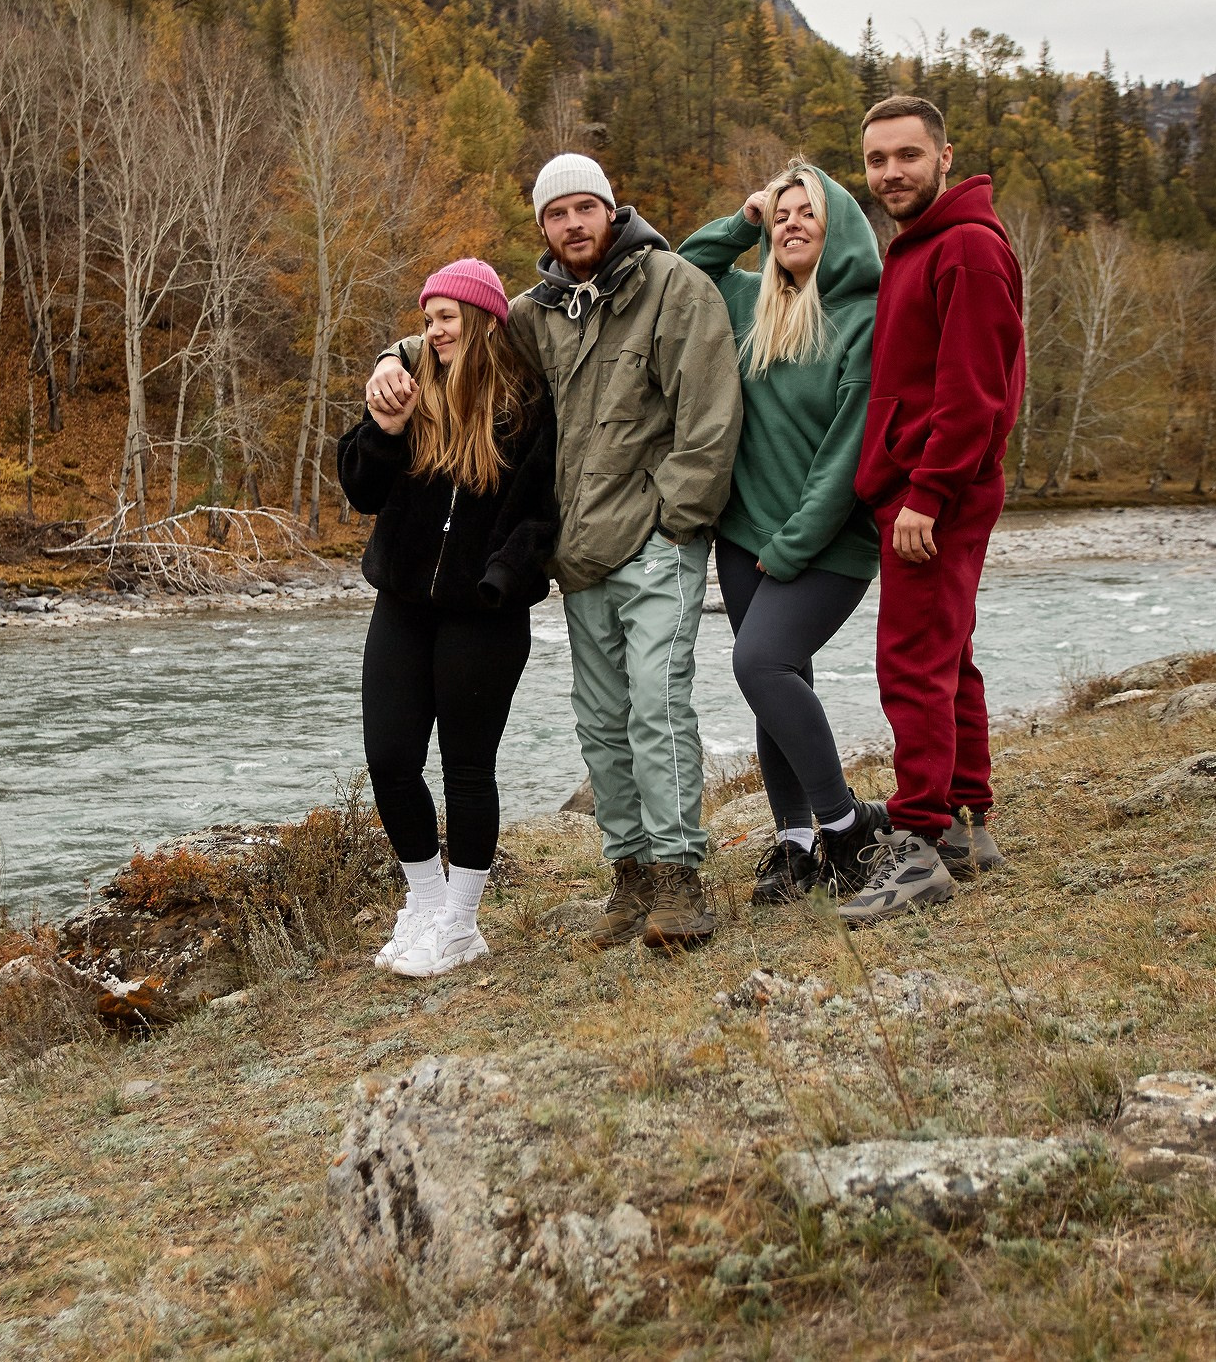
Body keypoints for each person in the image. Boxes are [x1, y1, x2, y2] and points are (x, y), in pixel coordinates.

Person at [366, 155, 741, 951]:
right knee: (601, 723)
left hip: (656, 543)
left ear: (611, 209)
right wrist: (391, 359)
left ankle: (679, 880)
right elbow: (457, 329)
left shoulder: (674, 288)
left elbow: (709, 419)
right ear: (542, 227)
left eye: (584, 208)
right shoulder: (536, 315)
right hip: (578, 554)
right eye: (555, 213)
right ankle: (631, 876)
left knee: (657, 704)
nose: (572, 224)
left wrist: (678, 520)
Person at [672, 160, 887, 902]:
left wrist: (790, 546)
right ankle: (795, 844)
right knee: (780, 681)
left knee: (760, 664)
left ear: (839, 228)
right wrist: (745, 219)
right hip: (743, 537)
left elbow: (847, 454)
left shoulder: (864, 318)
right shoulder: (749, 303)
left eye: (807, 211)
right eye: (783, 212)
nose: (792, 222)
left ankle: (847, 829)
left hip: (828, 544)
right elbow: (681, 268)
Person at [339, 259, 559, 978]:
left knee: (467, 769)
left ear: (483, 320)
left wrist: (499, 582)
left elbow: (536, 515)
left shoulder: (525, 405)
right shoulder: (407, 392)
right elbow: (362, 489)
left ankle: (462, 923)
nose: (430, 330)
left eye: (444, 317)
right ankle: (428, 903)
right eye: (427, 317)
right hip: (401, 606)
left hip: (483, 616)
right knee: (390, 759)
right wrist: (382, 428)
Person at [836, 95, 1026, 926]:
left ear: (945, 157)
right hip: (925, 489)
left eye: (907, 156)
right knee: (947, 652)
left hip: (934, 493)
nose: (890, 174)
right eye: (877, 160)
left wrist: (926, 494)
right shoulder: (923, 247)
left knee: (910, 660)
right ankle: (966, 823)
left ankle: (916, 846)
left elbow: (974, 393)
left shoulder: (968, 253)